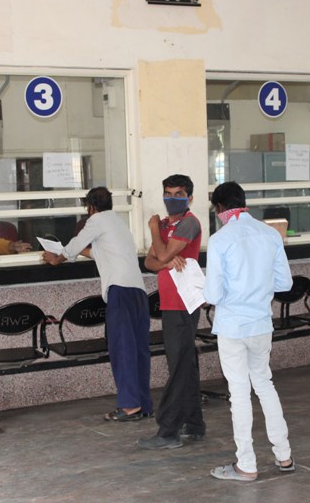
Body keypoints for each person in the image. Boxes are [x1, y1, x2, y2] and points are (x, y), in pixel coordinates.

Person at [203, 181, 295, 482]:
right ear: (244, 202)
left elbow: (214, 294)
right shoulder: (270, 234)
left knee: (239, 393)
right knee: (265, 384)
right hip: (261, 324)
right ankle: (284, 456)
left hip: (232, 326)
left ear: (219, 209)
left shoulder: (220, 240)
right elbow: (285, 284)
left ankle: (246, 464)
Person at [42, 187, 153, 421]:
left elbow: (72, 246)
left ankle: (129, 406)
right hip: (138, 293)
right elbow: (100, 254)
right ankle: (143, 403)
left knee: (122, 350)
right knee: (138, 350)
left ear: (90, 207)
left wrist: (56, 258)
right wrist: (73, 251)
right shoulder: (118, 223)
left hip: (120, 293)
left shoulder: (96, 220)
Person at [137, 174, 205, 450]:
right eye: (167, 193)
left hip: (182, 303)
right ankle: (194, 424)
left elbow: (160, 255)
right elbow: (150, 261)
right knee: (185, 363)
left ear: (189, 197)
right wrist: (164, 260)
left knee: (177, 366)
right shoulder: (168, 225)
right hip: (169, 301)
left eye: (178, 194)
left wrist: (153, 229)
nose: (171, 198)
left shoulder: (188, 223)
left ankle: (168, 431)